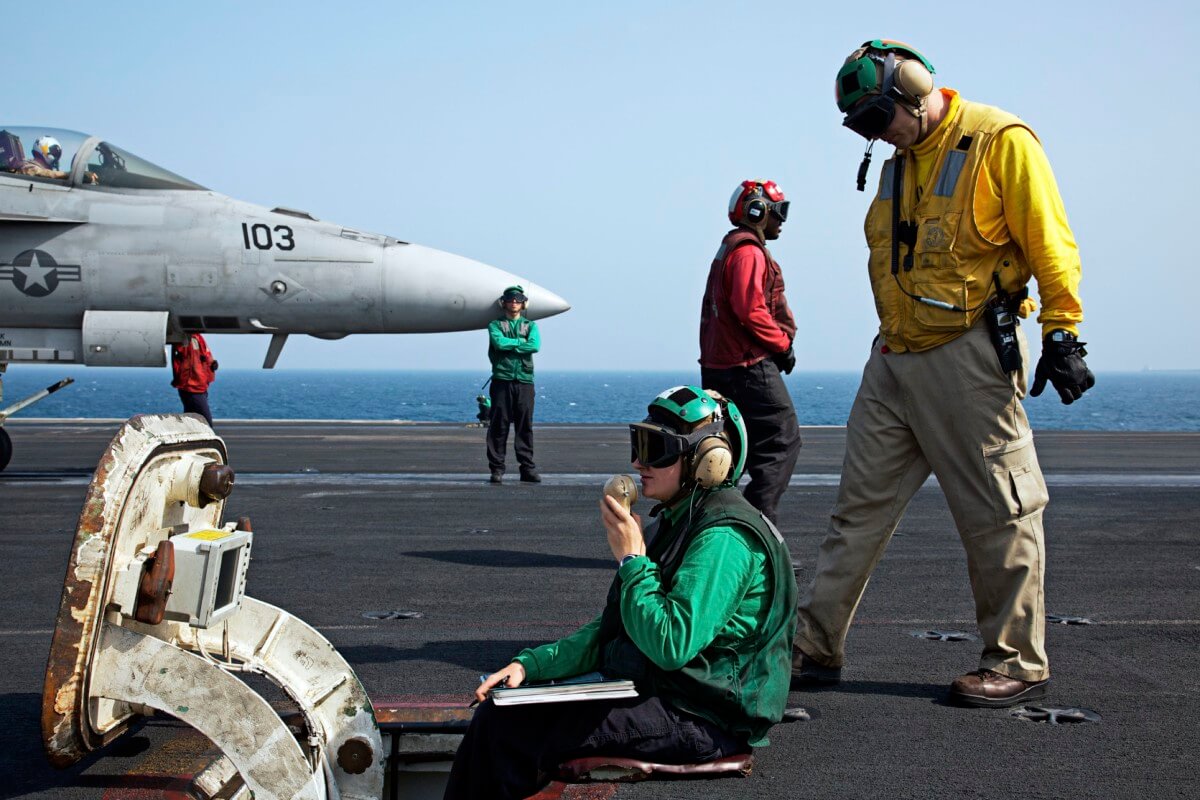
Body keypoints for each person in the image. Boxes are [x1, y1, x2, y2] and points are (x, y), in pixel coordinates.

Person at [793, 39, 1095, 708]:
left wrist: (1062, 330)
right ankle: (813, 647)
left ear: (915, 86)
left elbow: (1051, 240)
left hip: (967, 355)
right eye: (864, 126)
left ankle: (1017, 661)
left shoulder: (998, 141)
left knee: (1000, 512)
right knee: (857, 512)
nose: (878, 136)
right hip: (895, 357)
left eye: (880, 118)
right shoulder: (899, 164)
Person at [445, 386, 797, 800]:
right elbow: (617, 628)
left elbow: (670, 643)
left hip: (703, 718)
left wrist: (632, 560)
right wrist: (530, 666)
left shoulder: (725, 539)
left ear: (708, 461)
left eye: (656, 449)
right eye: (639, 443)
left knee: (509, 730)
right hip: (671, 696)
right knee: (504, 712)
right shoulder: (679, 521)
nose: (637, 462)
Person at [699, 179, 802, 524]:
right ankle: (756, 533)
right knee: (781, 440)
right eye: (780, 211)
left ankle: (709, 529)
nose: (783, 219)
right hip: (746, 366)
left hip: (722, 365)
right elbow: (751, 310)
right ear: (759, 212)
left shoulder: (731, 248)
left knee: (731, 453)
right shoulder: (748, 253)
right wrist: (783, 345)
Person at [486, 285, 540, 483]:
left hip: (525, 381)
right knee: (498, 426)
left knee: (524, 426)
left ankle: (527, 468)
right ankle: (497, 469)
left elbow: (534, 345)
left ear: (523, 303)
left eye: (518, 299)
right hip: (502, 379)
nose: (514, 302)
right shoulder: (495, 325)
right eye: (510, 299)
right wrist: (520, 343)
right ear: (504, 302)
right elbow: (499, 344)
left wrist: (511, 344)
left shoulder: (531, 326)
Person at [171, 333, 218, 427]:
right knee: (206, 423)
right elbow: (187, 360)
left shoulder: (198, 338)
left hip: (199, 386)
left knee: (190, 421)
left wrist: (212, 363)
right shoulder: (186, 339)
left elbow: (206, 356)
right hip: (192, 387)